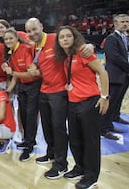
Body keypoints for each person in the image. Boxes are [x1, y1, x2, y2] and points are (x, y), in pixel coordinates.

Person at [25, 18, 94, 176]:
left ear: (41, 26)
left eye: (34, 29)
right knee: (47, 126)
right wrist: (35, 68)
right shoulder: (34, 46)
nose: (32, 33)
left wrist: (90, 46)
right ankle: (51, 153)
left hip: (59, 92)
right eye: (29, 31)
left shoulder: (54, 38)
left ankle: (61, 164)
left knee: (58, 128)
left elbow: (74, 44)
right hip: (44, 90)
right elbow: (38, 63)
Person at [55, 25, 109, 189]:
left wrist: (104, 97)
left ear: (74, 38)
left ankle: (91, 176)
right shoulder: (66, 57)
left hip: (89, 102)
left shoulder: (83, 52)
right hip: (73, 103)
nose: (65, 39)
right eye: (61, 37)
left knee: (90, 141)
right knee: (75, 139)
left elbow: (103, 72)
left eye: (68, 36)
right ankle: (80, 168)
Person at [2, 27, 41, 162]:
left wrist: (12, 73)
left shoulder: (25, 49)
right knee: (23, 114)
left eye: (10, 38)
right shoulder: (10, 53)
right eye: (6, 39)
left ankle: (29, 148)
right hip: (22, 86)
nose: (8, 41)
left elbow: (31, 73)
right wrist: (7, 91)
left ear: (16, 38)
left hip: (34, 85)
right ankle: (28, 140)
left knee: (31, 115)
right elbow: (15, 77)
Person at [102, 14, 129, 140]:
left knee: (117, 101)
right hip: (115, 76)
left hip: (123, 75)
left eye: (127, 22)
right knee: (110, 103)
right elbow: (115, 57)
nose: (125, 24)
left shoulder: (124, 37)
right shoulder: (112, 38)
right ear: (116, 24)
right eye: (122, 22)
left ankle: (112, 120)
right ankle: (103, 128)